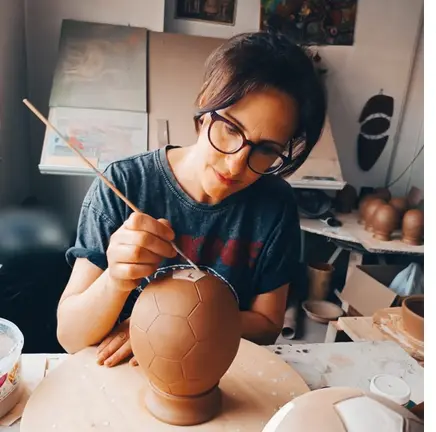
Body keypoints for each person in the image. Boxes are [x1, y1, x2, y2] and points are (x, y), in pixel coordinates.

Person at [55, 32, 326, 367]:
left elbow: (268, 326)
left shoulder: (275, 204)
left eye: (267, 149)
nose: (236, 164)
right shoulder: (123, 184)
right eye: (230, 129)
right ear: (205, 103)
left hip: (216, 372)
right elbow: (69, 336)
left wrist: (166, 326)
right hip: (122, 377)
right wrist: (115, 279)